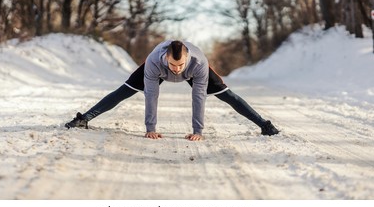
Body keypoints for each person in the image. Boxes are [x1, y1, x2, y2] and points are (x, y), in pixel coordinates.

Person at [65, 40, 279, 141]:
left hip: (196, 72)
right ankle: (84, 119)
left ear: (187, 59)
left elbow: (198, 98)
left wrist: (198, 131)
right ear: (166, 57)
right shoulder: (154, 62)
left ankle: (265, 125)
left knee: (228, 96)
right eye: (172, 64)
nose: (176, 70)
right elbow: (151, 95)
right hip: (155, 69)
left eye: (180, 65)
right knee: (123, 91)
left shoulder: (198, 63)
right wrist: (150, 127)